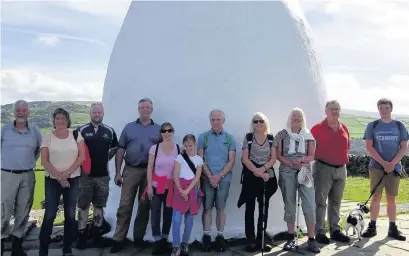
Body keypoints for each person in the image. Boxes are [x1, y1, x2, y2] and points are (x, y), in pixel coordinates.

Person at [111, 98, 161, 253]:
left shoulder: (158, 129)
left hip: (150, 172)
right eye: (142, 107)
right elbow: (120, 150)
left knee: (144, 205)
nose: (145, 109)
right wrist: (118, 172)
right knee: (125, 205)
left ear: (151, 110)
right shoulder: (129, 127)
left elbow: (163, 152)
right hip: (131, 170)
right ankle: (119, 239)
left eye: (148, 107)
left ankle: (138, 238)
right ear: (138, 109)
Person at [39, 108, 86, 256]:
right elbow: (44, 160)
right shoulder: (48, 136)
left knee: (70, 215)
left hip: (73, 179)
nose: (60, 121)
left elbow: (82, 157)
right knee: (50, 215)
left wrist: (66, 174)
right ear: (54, 120)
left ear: (67, 120)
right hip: (52, 181)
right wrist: (59, 176)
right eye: (57, 118)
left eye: (63, 118)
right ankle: (43, 249)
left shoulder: (76, 135)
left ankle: (67, 248)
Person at [362, 98, 408, 241]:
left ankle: (392, 228)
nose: (383, 111)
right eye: (381, 108)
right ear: (378, 110)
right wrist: (384, 163)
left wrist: (392, 164)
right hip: (376, 168)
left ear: (391, 109)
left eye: (386, 108)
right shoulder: (373, 125)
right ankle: (372, 226)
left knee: (391, 199)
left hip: (394, 169)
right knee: (376, 197)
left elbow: (404, 147)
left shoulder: (399, 126)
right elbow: (369, 147)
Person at [275, 108, 320, 253]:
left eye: (299, 115)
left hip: (304, 169)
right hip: (287, 170)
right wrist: (290, 163)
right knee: (289, 203)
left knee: (309, 203)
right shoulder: (282, 134)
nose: (296, 118)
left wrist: (301, 160)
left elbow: (311, 155)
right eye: (294, 115)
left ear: (302, 118)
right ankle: (291, 237)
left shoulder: (308, 135)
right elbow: (279, 155)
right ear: (290, 117)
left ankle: (311, 239)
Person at [1, 100, 42, 256]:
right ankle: (2, 241)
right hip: (7, 174)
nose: (21, 112)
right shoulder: (4, 130)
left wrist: (28, 162)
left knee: (24, 209)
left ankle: (17, 243)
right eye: (18, 110)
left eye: (24, 110)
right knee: (4, 210)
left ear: (28, 113)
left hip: (28, 175)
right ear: (14, 112)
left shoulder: (35, 131)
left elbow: (39, 150)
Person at [76, 102, 119, 249]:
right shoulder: (80, 130)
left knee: (99, 205)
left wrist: (103, 159)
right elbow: (74, 149)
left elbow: (114, 148)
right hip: (84, 176)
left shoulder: (110, 131)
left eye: (99, 113)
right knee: (83, 205)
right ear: (90, 113)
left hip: (102, 175)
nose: (97, 115)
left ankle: (96, 234)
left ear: (103, 114)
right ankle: (81, 235)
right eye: (94, 112)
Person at [310, 100, 350, 244]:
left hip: (341, 169)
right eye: (332, 109)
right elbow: (310, 148)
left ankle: (335, 230)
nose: (335, 111)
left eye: (337, 109)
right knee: (320, 202)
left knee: (336, 202)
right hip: (323, 169)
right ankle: (319, 231)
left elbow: (347, 147)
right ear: (325, 111)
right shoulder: (317, 128)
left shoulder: (344, 128)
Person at [237, 112, 277, 252]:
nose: (258, 123)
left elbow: (273, 158)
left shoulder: (271, 138)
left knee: (263, 209)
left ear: (265, 122)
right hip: (251, 176)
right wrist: (257, 171)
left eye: (261, 121)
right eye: (255, 121)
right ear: (252, 124)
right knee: (250, 208)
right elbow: (245, 158)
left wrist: (263, 169)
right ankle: (250, 240)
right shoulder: (248, 138)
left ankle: (261, 240)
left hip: (267, 178)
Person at [197, 109, 236, 252]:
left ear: (223, 121)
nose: (215, 122)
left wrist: (219, 176)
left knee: (220, 207)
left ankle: (220, 236)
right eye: (213, 120)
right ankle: (206, 236)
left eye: (218, 119)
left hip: (223, 179)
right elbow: (200, 159)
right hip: (207, 178)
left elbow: (231, 161)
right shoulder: (203, 137)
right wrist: (210, 176)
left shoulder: (230, 139)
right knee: (207, 208)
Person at [143, 122, 180, 254]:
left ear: (173, 132)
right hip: (156, 185)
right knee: (155, 213)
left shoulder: (177, 148)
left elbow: (179, 168)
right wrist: (149, 186)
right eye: (164, 131)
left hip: (170, 187)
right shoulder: (155, 148)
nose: (167, 133)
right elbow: (149, 167)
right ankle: (157, 241)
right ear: (161, 133)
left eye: (169, 130)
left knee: (168, 214)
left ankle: (164, 239)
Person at [170, 134, 204, 256]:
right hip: (179, 188)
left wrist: (188, 190)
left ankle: (185, 243)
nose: (188, 148)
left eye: (190, 145)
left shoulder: (199, 159)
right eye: (186, 145)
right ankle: (175, 245)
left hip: (191, 189)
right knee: (177, 219)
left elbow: (197, 177)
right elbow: (175, 174)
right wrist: (180, 190)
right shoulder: (179, 157)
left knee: (189, 220)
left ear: (194, 144)